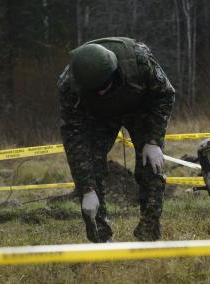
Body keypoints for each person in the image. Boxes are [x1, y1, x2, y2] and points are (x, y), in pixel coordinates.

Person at [57, 37, 175, 242]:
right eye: (95, 90)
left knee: (152, 167)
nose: (101, 92)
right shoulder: (69, 85)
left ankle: (149, 233)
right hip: (98, 117)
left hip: (139, 109)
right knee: (91, 171)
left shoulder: (139, 61)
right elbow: (75, 138)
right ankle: (100, 239)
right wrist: (87, 189)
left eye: (104, 86)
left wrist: (153, 140)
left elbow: (165, 95)